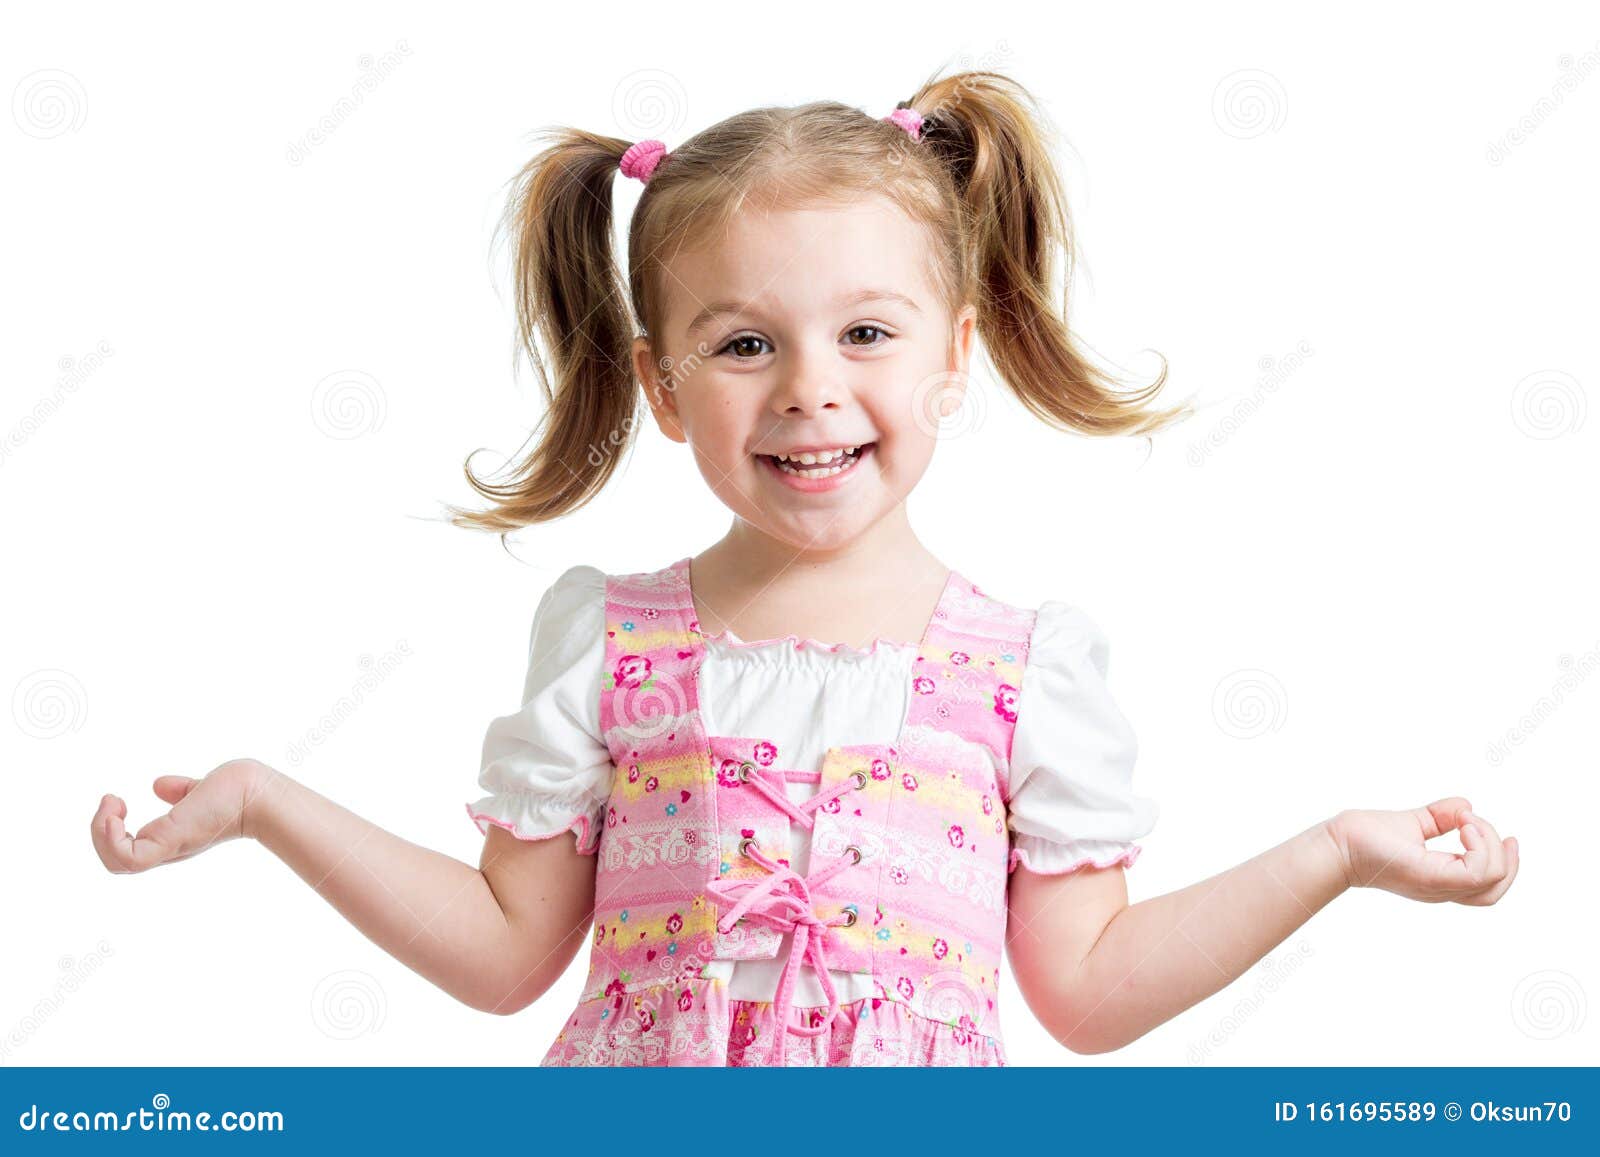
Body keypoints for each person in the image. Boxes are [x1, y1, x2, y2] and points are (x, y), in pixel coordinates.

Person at [89, 69, 1519, 1067]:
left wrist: (1337, 853)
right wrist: (265, 803)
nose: (809, 392)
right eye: (744, 341)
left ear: (956, 352)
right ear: (659, 381)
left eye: (868, 334)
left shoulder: (1023, 676)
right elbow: (504, 952)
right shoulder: (612, 642)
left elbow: (1085, 991)